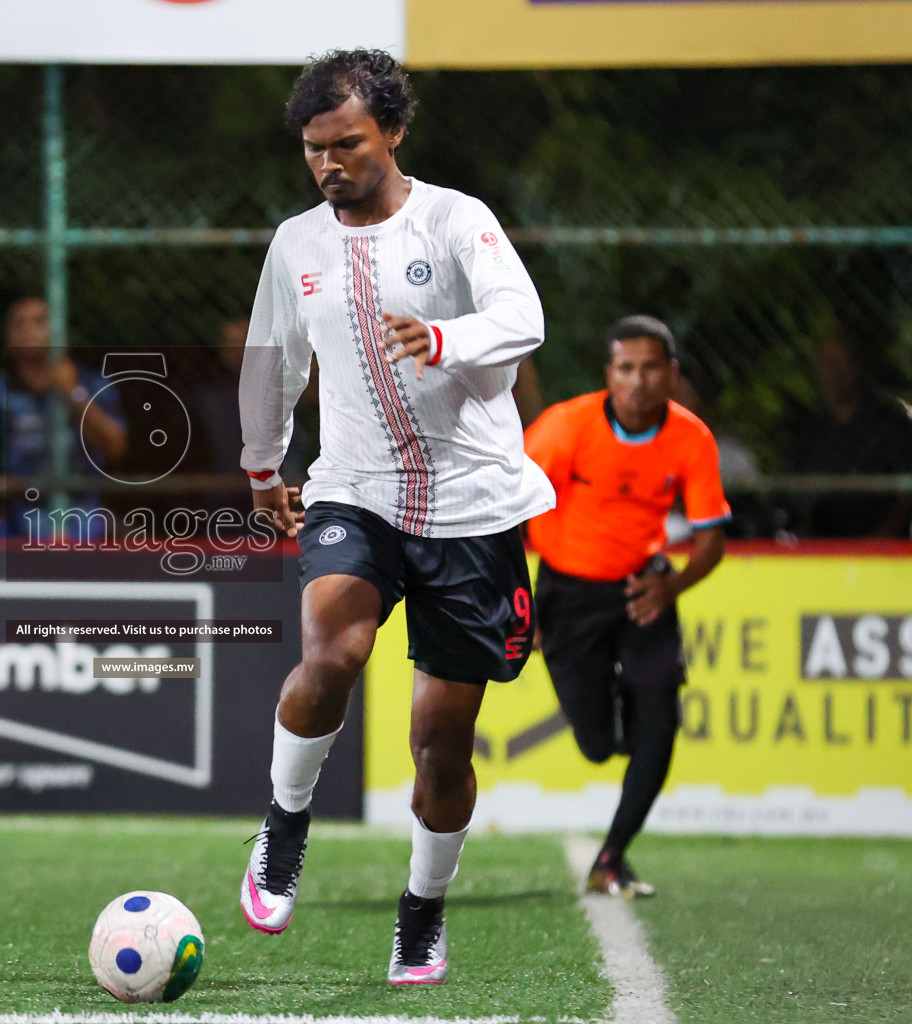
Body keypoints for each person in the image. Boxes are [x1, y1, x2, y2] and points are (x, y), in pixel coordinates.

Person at [236, 50, 552, 985]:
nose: (328, 165)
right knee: (332, 652)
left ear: (394, 132)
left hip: (475, 505)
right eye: (312, 150)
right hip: (355, 489)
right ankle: (285, 826)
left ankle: (423, 909)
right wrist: (262, 463)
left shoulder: (457, 219)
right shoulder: (297, 244)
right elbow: (271, 356)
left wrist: (446, 338)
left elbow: (522, 314)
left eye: (347, 145)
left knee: (440, 747)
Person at [525, 315, 729, 897]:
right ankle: (621, 705)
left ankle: (612, 857)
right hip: (569, 591)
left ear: (671, 374)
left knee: (660, 722)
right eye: (626, 369)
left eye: (649, 369)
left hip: (646, 586)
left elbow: (712, 541)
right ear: (609, 375)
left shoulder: (692, 438)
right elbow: (502, 513)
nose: (638, 381)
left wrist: (673, 587)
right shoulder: (565, 427)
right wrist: (521, 602)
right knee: (598, 745)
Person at [0, 297, 127, 540]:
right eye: (19, 324)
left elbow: (115, 445)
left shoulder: (90, 383)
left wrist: (73, 393)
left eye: (39, 322)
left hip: (81, 512)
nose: (29, 331)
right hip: (19, 516)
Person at [787, 331, 912, 538]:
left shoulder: (889, 423)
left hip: (880, 544)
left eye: (840, 363)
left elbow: (906, 494)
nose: (834, 373)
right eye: (826, 364)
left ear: (856, 367)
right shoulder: (811, 429)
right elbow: (796, 495)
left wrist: (880, 541)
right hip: (820, 545)